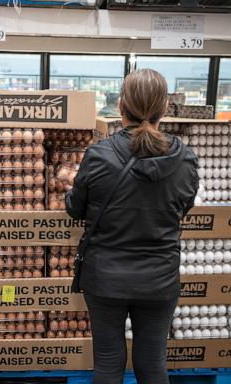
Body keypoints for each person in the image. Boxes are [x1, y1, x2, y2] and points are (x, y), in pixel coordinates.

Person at [66, 69, 198, 384]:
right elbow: (184, 208)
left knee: (109, 365)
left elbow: (75, 209)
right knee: (153, 366)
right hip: (159, 278)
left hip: (105, 277)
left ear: (121, 106)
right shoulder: (185, 160)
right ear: (164, 109)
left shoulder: (99, 155)